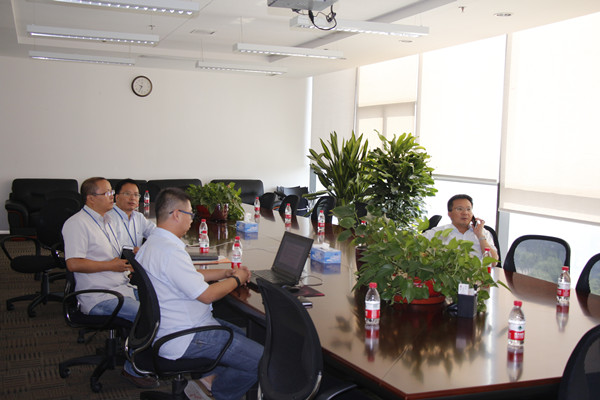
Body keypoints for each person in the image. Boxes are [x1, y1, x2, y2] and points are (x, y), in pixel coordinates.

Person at [136, 188, 263, 400]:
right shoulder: (170, 252)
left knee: (244, 337)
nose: (192, 219)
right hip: (186, 336)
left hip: (167, 329)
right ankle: (217, 392)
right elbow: (207, 295)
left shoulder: (154, 244)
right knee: (262, 360)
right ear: (177, 215)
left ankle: (206, 380)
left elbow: (185, 276)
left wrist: (224, 273)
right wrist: (237, 279)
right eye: (190, 214)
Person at [62, 177, 158, 388]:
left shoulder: (107, 221)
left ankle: (144, 357)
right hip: (99, 295)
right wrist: (111, 265)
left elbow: (115, 255)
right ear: (91, 198)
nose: (112, 196)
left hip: (121, 286)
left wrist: (129, 260)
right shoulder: (77, 224)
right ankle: (133, 369)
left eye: (111, 192)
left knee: (160, 303)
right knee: (148, 315)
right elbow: (73, 263)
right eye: (107, 193)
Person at [423, 194, 499, 260]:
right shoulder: (437, 232)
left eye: (468, 209)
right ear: (449, 213)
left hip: (478, 272)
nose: (465, 213)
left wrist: (480, 236)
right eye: (459, 209)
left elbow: (493, 262)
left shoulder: (483, 233)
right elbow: (417, 244)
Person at [109, 179, 156, 253]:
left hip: (136, 258)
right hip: (116, 259)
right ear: (117, 197)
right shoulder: (108, 218)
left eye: (136, 195)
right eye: (127, 194)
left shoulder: (139, 217)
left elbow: (155, 232)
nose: (133, 198)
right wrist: (133, 250)